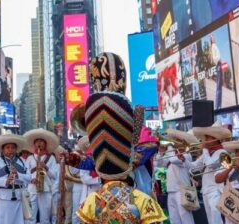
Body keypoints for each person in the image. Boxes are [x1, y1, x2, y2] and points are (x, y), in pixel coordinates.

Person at [73, 52, 165, 224]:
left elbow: (150, 145)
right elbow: (93, 162)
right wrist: (75, 160)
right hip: (108, 191)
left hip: (135, 186)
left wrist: (128, 159)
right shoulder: (100, 133)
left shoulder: (136, 125)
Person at [191, 121, 232, 224]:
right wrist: (182, 160)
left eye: (208, 137)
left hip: (216, 191)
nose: (205, 140)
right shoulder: (208, 153)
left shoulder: (223, 152)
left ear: (215, 139)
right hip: (206, 191)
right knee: (211, 221)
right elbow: (193, 166)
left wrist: (204, 150)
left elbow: (211, 165)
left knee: (216, 221)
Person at [0, 133, 31, 223]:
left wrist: (18, 175)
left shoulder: (22, 162)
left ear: (16, 149)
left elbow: (29, 177)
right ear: (3, 149)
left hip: (19, 196)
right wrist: (6, 181)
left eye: (13, 147)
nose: (10, 150)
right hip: (4, 196)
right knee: (4, 220)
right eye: (7, 147)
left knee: (18, 220)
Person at [24, 128, 60, 224]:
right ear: (34, 144)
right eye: (37, 141)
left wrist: (46, 167)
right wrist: (31, 180)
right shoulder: (30, 158)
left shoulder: (51, 158)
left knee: (45, 217)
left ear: (45, 144)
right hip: (32, 189)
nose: (39, 143)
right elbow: (25, 174)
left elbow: (55, 176)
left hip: (45, 189)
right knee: (31, 216)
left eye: (41, 141)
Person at [162, 129, 197, 224]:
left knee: (185, 218)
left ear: (184, 142)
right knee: (174, 219)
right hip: (171, 189)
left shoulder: (187, 155)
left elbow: (173, 160)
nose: (175, 142)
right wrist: (160, 151)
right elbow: (159, 163)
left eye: (178, 140)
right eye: (175, 140)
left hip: (182, 190)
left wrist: (169, 147)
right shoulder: (172, 153)